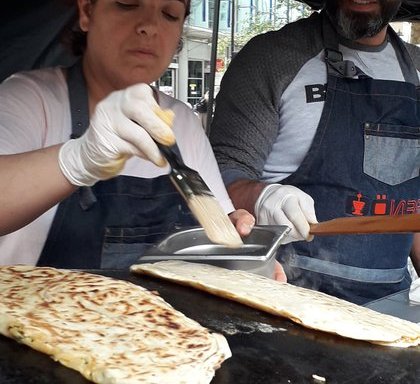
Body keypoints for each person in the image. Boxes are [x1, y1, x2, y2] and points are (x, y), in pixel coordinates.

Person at [0, 0, 283, 276]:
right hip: (39, 315)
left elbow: (221, 229)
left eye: (170, 14)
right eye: (127, 4)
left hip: (158, 318)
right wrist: (77, 159)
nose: (149, 26)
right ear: (87, 12)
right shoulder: (29, 98)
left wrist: (247, 257)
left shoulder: (183, 123)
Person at [210, 0, 420, 304]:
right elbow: (215, 176)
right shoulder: (272, 59)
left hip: (392, 307)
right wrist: (260, 196)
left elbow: (412, 202)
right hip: (283, 300)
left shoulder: (416, 71)